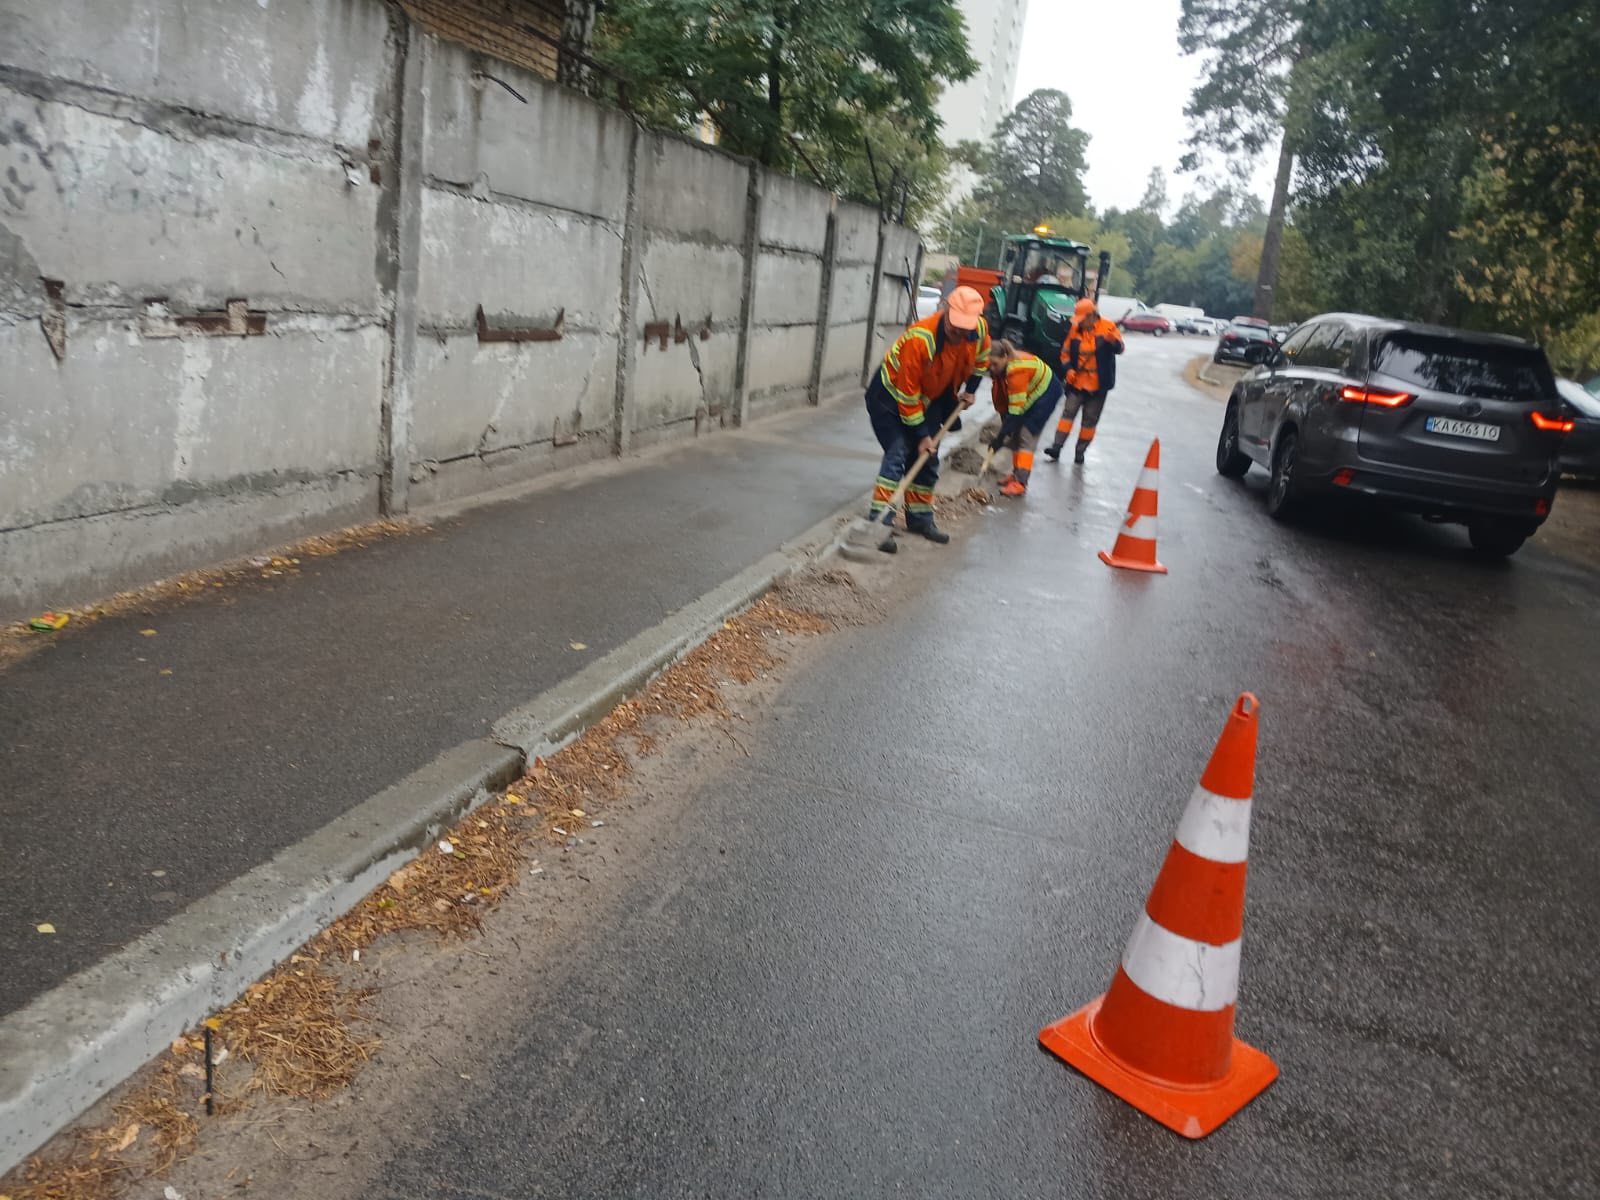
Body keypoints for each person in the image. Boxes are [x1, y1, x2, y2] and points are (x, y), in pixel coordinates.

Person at [866, 285, 991, 547]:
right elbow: (907, 396)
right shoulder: (920, 339)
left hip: (931, 397)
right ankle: (879, 522)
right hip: (889, 397)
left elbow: (981, 361)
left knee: (927, 459)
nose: (959, 333)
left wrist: (971, 390)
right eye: (955, 325)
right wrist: (922, 435)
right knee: (899, 452)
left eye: (965, 328)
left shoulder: (978, 332)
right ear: (946, 309)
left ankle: (920, 518)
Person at [1045, 296, 1124, 464]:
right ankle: (1056, 447)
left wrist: (1113, 342)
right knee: (1067, 415)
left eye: (1082, 319)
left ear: (1091, 316)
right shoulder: (1075, 330)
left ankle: (1080, 452)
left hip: (1098, 386)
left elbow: (1120, 349)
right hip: (1077, 383)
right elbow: (1065, 353)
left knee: (1089, 421)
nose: (1079, 322)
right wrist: (1068, 370)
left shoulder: (1108, 327)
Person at [985, 340, 1062, 498]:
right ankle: (1015, 474)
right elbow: (1007, 407)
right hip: (1033, 394)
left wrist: (1000, 438)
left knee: (1026, 436)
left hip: (1046, 394)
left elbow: (1015, 411)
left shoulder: (1016, 372)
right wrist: (1005, 431)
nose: (992, 368)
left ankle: (1020, 483)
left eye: (995, 364)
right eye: (989, 365)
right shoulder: (1003, 370)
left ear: (1004, 357)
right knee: (1016, 433)